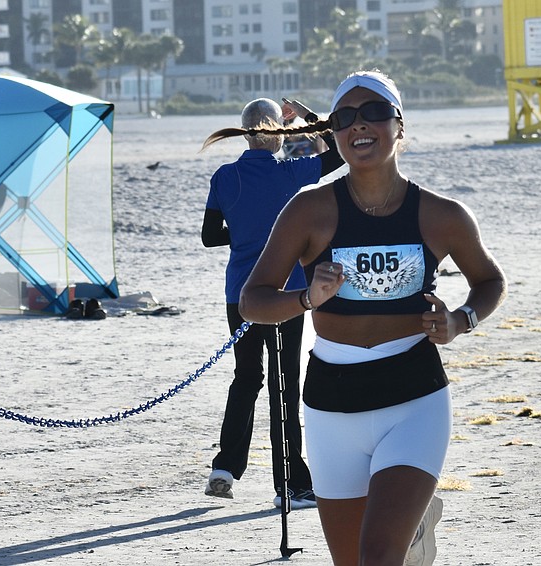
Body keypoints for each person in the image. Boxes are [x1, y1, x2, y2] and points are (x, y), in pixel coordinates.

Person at [229, 70, 507, 565]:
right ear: (334, 134)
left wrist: (461, 321)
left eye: (375, 112)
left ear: (400, 125)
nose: (361, 125)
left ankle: (406, 530)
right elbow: (252, 300)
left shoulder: (442, 215)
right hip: (331, 405)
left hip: (414, 398)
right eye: (346, 117)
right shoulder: (308, 211)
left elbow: (490, 281)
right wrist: (306, 299)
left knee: (378, 555)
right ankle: (414, 533)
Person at [201, 97, 344, 509]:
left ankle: (225, 468)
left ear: (245, 133)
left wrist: (246, 233)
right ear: (279, 136)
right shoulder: (290, 174)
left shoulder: (225, 177)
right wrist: (303, 117)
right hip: (285, 296)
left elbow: (210, 236)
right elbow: (336, 151)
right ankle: (292, 484)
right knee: (285, 384)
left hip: (240, 296)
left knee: (246, 378)